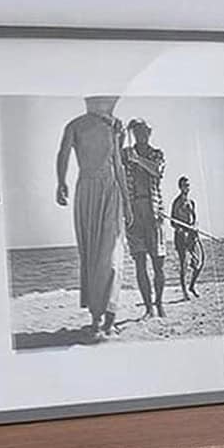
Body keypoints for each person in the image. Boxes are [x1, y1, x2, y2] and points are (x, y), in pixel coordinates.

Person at [54, 97, 126, 332]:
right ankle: (97, 316)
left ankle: (110, 313)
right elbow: (63, 153)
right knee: (93, 253)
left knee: (111, 253)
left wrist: (127, 201)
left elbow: (118, 164)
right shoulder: (75, 125)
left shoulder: (112, 127)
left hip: (109, 190)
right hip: (87, 190)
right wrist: (60, 182)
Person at [122, 118, 168, 320]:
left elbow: (157, 171)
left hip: (154, 212)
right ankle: (148, 308)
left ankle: (159, 304)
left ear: (149, 132)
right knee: (139, 262)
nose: (140, 134)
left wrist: (138, 159)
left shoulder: (157, 153)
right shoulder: (125, 154)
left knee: (158, 264)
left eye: (143, 131)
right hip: (133, 213)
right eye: (136, 131)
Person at [169, 175, 203, 300]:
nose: (186, 188)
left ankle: (192, 286)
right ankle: (184, 292)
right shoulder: (176, 202)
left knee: (198, 263)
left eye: (188, 185)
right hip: (181, 236)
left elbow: (195, 218)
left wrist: (195, 227)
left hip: (192, 236)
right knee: (184, 264)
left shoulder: (192, 202)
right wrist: (180, 229)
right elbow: (172, 222)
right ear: (180, 187)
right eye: (184, 185)